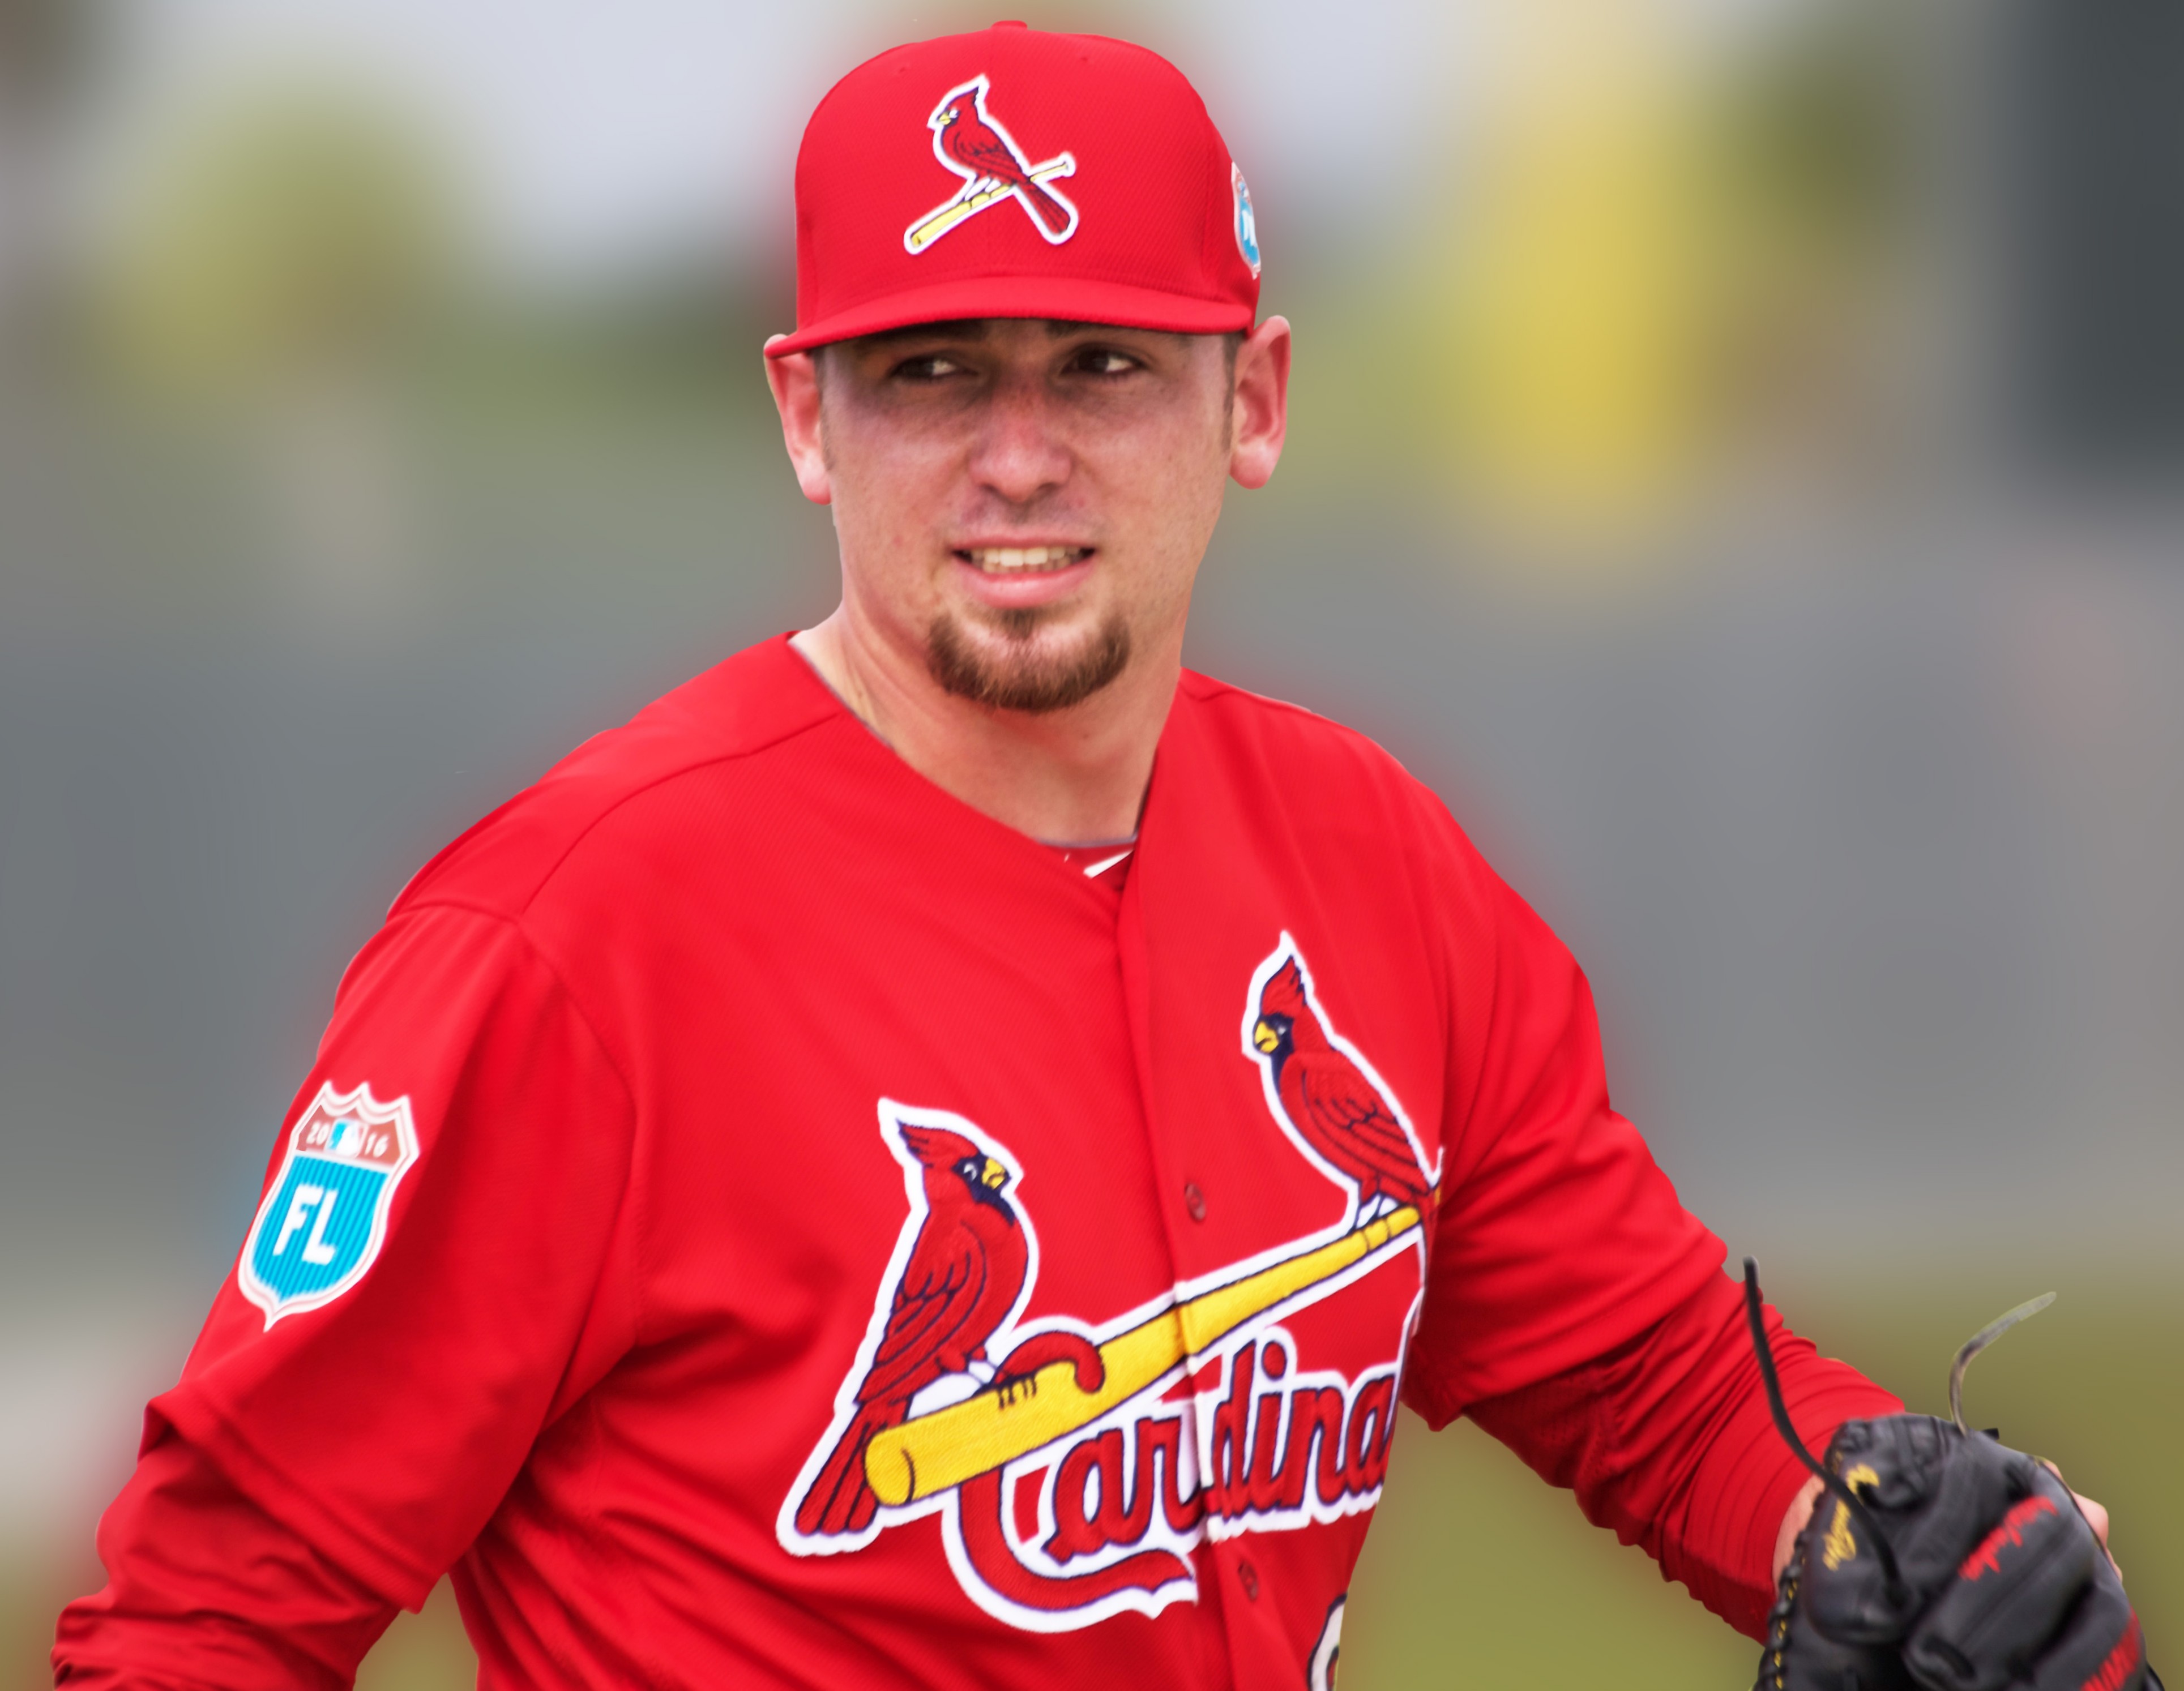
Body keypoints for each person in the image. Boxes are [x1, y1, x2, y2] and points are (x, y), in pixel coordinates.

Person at [53, 23, 2146, 1691]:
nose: (1018, 453)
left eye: (1104, 366)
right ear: (805, 415)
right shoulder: (564, 940)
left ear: (1254, 399)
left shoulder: (1375, 863)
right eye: (931, 370)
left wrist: (1906, 1533)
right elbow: (207, 1618)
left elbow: (1648, 1372)